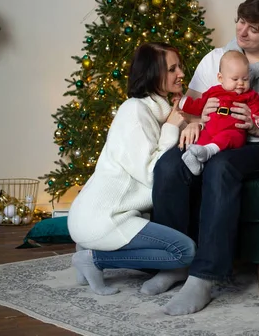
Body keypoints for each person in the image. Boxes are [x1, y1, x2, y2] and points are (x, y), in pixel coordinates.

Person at [150, 0, 259, 316]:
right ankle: (174, 263)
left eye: (253, 28)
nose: (241, 31)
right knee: (169, 165)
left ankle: (204, 276)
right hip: (212, 137)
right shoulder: (215, 59)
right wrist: (193, 122)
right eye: (240, 21)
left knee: (222, 166)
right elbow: (190, 106)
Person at [68, 42, 197, 296]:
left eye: (179, 66)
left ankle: (91, 251)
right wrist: (172, 127)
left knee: (174, 250)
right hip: (105, 217)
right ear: (153, 75)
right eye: (172, 69)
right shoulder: (135, 111)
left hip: (111, 215)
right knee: (185, 251)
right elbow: (153, 177)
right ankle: (95, 259)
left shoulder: (154, 111)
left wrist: (183, 122)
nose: (181, 73)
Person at [177, 50, 259, 175]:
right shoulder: (213, 92)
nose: (241, 83)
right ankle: (194, 160)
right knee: (201, 138)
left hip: (234, 131)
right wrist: (184, 102)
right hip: (210, 130)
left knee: (228, 137)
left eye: (245, 79)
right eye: (235, 79)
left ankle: (208, 151)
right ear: (221, 78)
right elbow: (199, 105)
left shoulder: (250, 96)